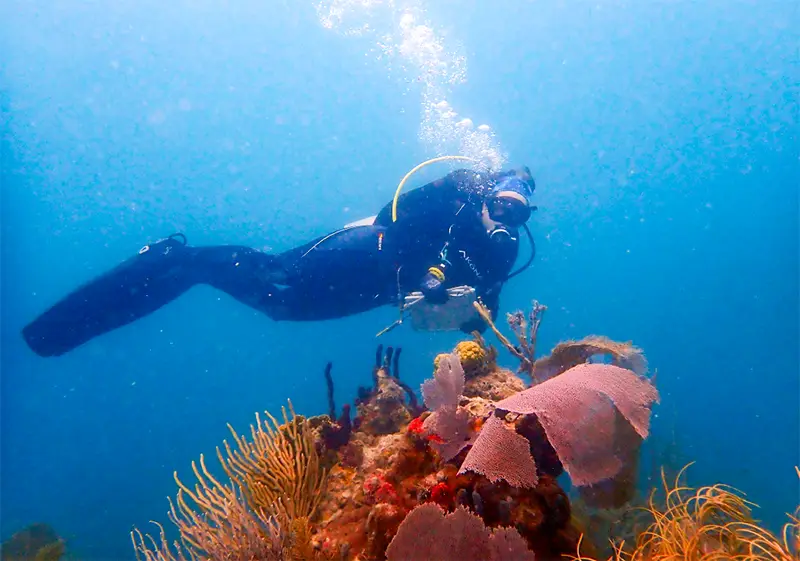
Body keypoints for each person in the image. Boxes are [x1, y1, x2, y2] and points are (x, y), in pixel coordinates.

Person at [21, 166, 537, 357]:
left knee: (280, 308)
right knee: (277, 280)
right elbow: (389, 214)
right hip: (361, 253)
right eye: (504, 200)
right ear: (492, 190)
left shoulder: (504, 249)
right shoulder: (460, 199)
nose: (506, 213)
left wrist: (456, 311)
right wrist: (454, 186)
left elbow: (480, 318)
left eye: (518, 208)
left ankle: (180, 262)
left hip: (367, 292)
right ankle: (177, 258)